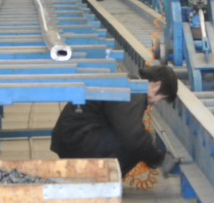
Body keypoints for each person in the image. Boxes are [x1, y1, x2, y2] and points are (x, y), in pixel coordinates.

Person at [50, 63, 181, 176]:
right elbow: (133, 137)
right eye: (161, 98)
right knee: (136, 145)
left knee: (137, 141)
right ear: (156, 85)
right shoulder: (133, 93)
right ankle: (102, 180)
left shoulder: (127, 82)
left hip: (71, 138)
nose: (156, 103)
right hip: (76, 142)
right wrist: (159, 159)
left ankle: (98, 177)